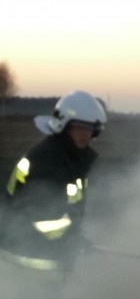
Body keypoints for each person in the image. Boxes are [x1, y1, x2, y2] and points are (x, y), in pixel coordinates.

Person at [0, 90, 106, 274]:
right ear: (63, 125)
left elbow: (66, 209)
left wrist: (74, 237)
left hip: (43, 255)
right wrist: (71, 239)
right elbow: (39, 217)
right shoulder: (49, 162)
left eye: (89, 128)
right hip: (29, 260)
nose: (84, 134)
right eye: (78, 127)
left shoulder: (69, 158)